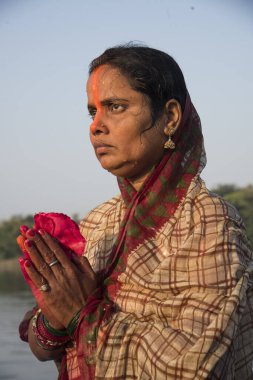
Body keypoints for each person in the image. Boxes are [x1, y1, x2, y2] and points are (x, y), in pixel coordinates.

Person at [18, 44, 253, 379]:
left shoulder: (208, 221)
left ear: (170, 118)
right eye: (92, 112)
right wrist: (55, 316)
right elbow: (41, 346)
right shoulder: (100, 220)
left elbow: (197, 367)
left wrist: (81, 314)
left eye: (116, 107)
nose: (96, 126)